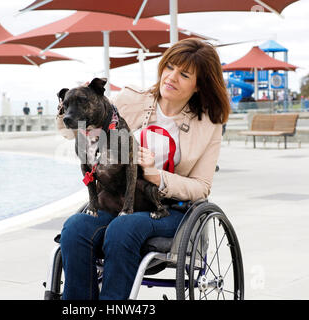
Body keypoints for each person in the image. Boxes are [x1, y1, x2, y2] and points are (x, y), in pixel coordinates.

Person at [55, 38, 230, 300]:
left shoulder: (208, 124)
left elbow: (201, 187)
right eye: (169, 66)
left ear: (199, 85)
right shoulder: (129, 100)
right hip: (117, 200)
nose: (171, 77)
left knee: (123, 229)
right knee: (76, 228)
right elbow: (70, 133)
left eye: (184, 74)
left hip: (168, 209)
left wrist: (155, 175)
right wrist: (72, 105)